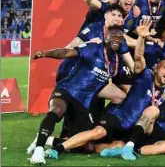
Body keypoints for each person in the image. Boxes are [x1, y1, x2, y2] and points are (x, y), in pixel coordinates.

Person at [43, 22, 165, 161]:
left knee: (97, 146)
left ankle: (55, 141)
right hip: (117, 116)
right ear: (156, 69)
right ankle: (57, 148)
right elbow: (138, 57)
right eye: (164, 68)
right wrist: (141, 39)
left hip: (130, 125)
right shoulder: (145, 76)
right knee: (97, 133)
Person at [29, 24, 131, 165]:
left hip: (83, 103)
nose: (117, 40)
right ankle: (38, 150)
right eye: (113, 36)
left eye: (120, 38)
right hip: (67, 89)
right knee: (56, 111)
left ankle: (45, 139)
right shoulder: (93, 48)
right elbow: (66, 53)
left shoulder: (116, 62)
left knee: (87, 146)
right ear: (105, 37)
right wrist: (45, 53)